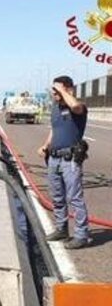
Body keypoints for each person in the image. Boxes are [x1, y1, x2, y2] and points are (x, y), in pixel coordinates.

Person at [37, 75, 91, 249]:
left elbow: (75, 105)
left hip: (70, 160)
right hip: (54, 158)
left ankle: (81, 235)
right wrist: (45, 146)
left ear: (69, 89)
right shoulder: (55, 108)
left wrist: (62, 91)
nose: (54, 94)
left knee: (74, 198)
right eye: (53, 91)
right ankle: (61, 229)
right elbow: (54, 130)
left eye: (57, 90)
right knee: (57, 197)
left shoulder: (78, 107)